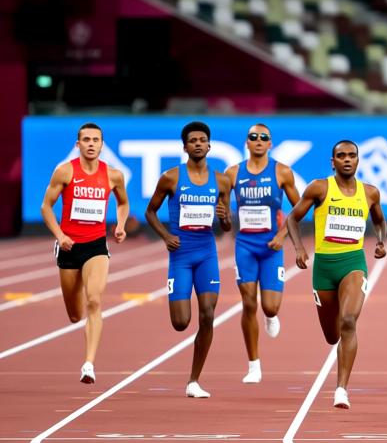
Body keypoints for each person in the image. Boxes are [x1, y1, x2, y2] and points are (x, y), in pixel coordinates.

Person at [280, 140, 385, 409]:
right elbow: (292, 218)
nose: (347, 160)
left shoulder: (370, 192)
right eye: (341, 156)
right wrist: (299, 248)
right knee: (332, 335)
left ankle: (341, 389)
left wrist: (381, 241)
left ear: (358, 160)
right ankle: (339, 357)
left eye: (352, 156)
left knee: (348, 321)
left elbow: (379, 219)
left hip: (353, 263)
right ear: (333, 162)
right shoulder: (319, 187)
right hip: (324, 269)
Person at [144, 121, 231, 399]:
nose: (197, 143)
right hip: (180, 255)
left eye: (201, 139)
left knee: (208, 315)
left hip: (207, 253)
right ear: (185, 147)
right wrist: (166, 236)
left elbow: (226, 226)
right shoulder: (170, 177)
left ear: (209, 145)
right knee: (181, 322)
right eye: (192, 140)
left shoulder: (221, 181)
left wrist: (226, 219)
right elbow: (150, 212)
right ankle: (192, 376)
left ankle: (194, 380)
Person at [39, 122, 129, 384]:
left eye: (96, 140)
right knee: (75, 315)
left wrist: (121, 225)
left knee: (94, 300)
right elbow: (46, 207)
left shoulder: (113, 175)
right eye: (86, 140)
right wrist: (60, 236)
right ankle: (82, 332)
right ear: (78, 145)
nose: (91, 144)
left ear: (102, 144)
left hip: (96, 246)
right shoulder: (65, 172)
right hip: (69, 246)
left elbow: (123, 202)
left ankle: (88, 364)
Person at [220, 123, 303, 384]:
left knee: (269, 305)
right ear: (246, 143)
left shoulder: (282, 172)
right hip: (244, 245)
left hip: (271, 247)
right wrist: (224, 220)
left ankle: (271, 316)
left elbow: (300, 207)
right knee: (247, 303)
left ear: (270, 144)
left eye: (263, 137)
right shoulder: (232, 173)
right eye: (253, 137)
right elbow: (223, 215)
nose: (258, 140)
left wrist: (282, 236)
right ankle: (254, 364)